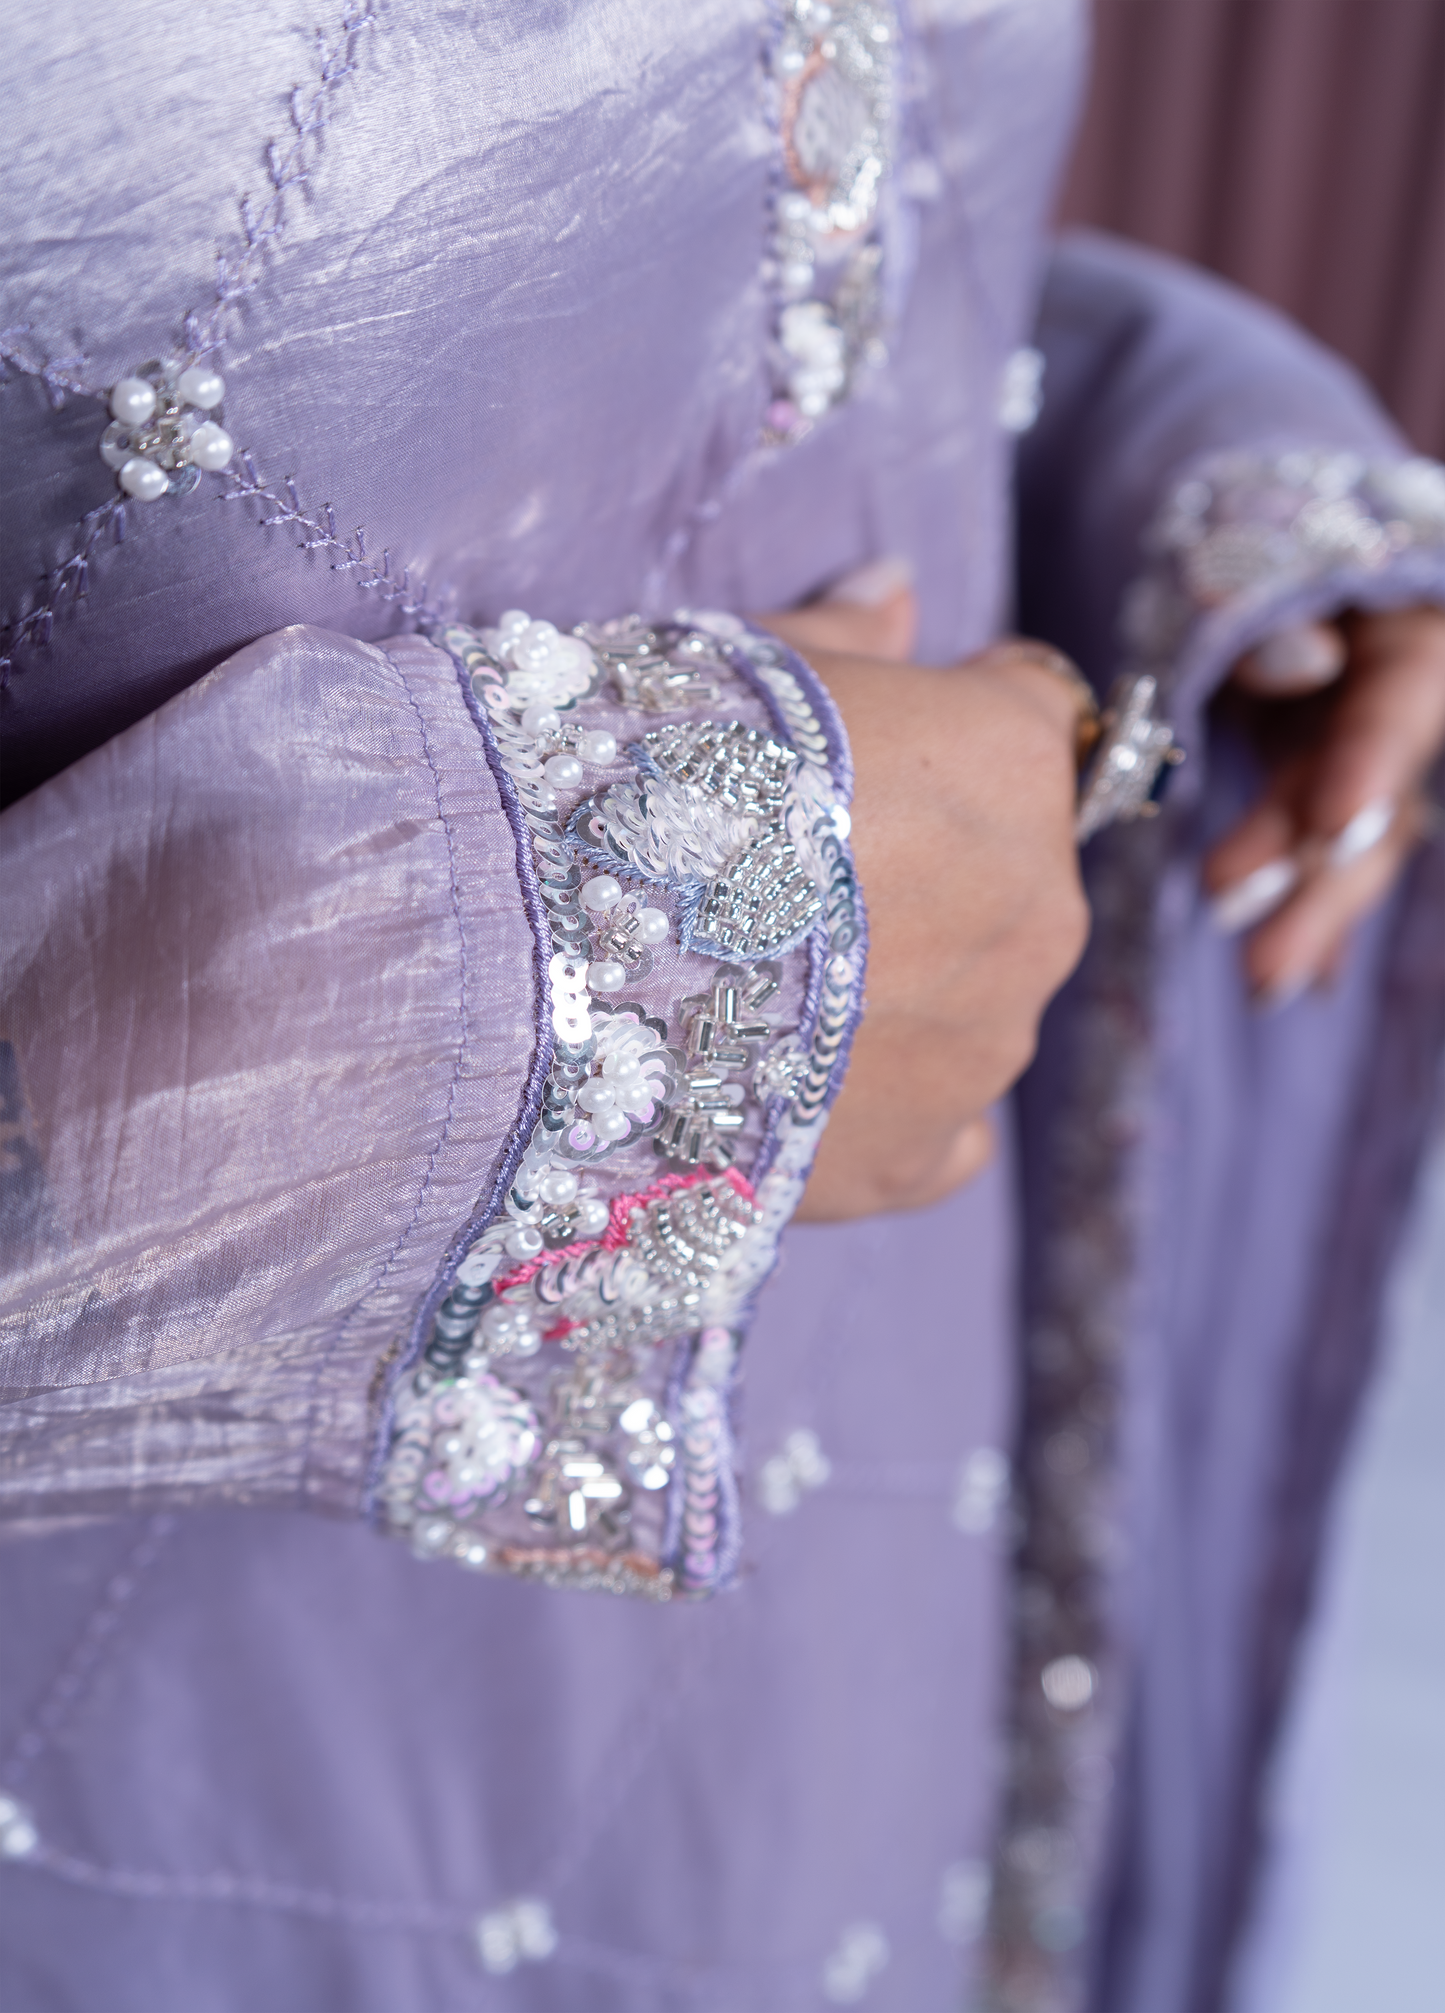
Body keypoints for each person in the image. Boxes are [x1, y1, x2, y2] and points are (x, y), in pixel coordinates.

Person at [2, 3, 1442, 2008]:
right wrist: (605, 991)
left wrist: (1169, 437)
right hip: (172, 1786)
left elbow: (762, 248)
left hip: (834, 1588)